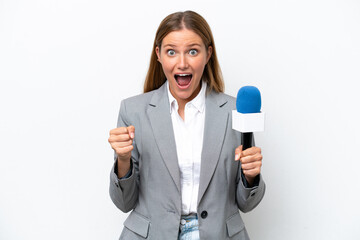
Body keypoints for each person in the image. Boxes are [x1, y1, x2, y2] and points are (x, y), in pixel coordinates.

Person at [108, 10, 265, 240]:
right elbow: (124, 202)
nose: (182, 63)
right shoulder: (133, 111)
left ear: (208, 54)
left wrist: (250, 177)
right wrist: (123, 161)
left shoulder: (235, 113)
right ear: (159, 54)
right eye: (171, 52)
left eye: (193, 51)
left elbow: (246, 204)